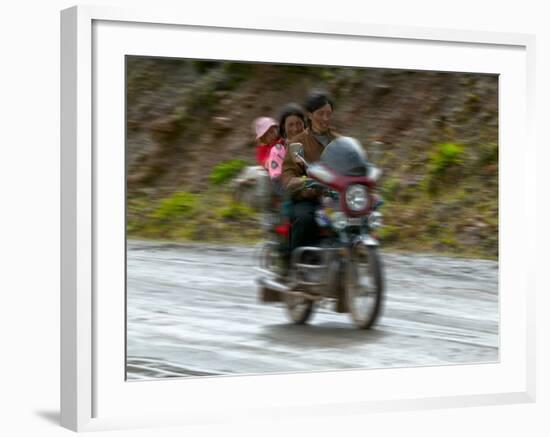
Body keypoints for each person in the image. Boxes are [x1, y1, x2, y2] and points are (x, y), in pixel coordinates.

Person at [280, 91, 340, 254]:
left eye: (328, 114)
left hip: (335, 199)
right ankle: (293, 262)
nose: (325, 118)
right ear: (309, 114)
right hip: (308, 199)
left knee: (359, 218)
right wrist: (300, 182)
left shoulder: (339, 141)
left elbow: (351, 165)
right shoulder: (297, 142)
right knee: (305, 219)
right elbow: (288, 173)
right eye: (321, 113)